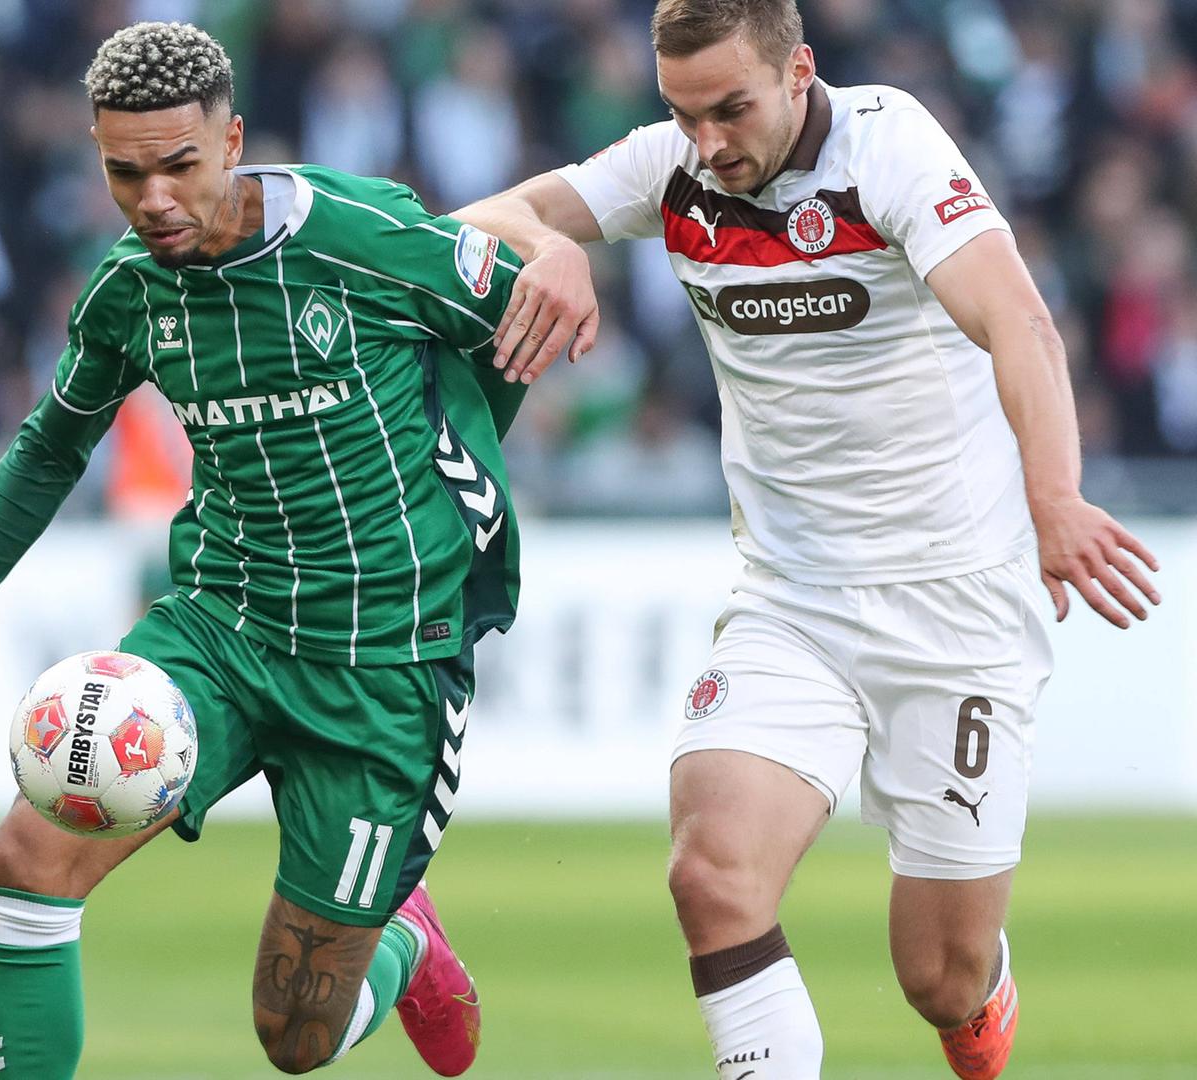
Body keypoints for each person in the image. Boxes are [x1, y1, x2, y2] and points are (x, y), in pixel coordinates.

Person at [456, 2, 1163, 1078]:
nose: (709, 144)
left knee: (939, 976)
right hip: (793, 603)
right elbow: (483, 212)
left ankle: (981, 993)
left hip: (954, 604)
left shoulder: (891, 145)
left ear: (800, 72)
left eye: (732, 109)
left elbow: (1016, 318)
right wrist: (550, 244)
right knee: (711, 875)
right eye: (683, 114)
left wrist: (1054, 497)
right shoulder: (673, 166)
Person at [0, 21, 530, 1079]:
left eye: (179, 166)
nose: (154, 198)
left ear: (234, 138)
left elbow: (517, 309)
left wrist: (459, 473)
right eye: (124, 172)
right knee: (24, 859)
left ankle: (403, 937)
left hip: (383, 664)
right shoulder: (129, 291)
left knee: (295, 1040)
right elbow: (46, 452)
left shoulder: (361, 236)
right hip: (220, 626)